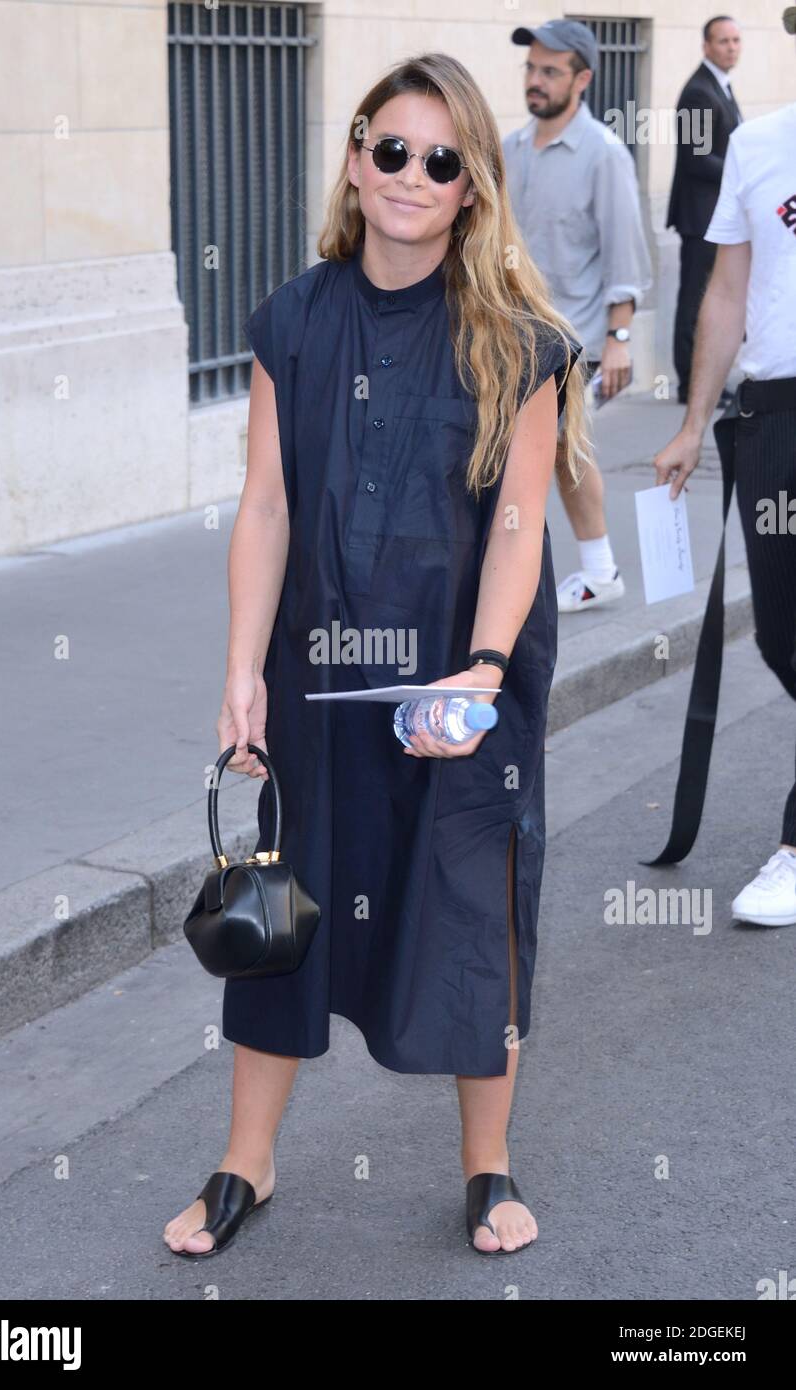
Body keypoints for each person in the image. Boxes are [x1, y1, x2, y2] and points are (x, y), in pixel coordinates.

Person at [163, 51, 588, 1260]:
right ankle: (245, 1164)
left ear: (470, 187)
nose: (411, 173)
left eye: (440, 159)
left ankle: (487, 1168)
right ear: (354, 160)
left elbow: (517, 522)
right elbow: (265, 508)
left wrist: (487, 670)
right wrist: (242, 670)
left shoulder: (517, 338)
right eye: (389, 148)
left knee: (470, 905)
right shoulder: (293, 321)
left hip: (462, 679)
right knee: (284, 907)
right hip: (318, 673)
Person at [649, 6, 796, 926]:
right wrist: (695, 421)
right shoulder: (761, 144)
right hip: (776, 413)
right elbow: (727, 290)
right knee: (782, 634)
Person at [503, 18, 653, 613]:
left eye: (550, 71)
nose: (536, 81)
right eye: (531, 69)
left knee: (561, 450)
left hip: (575, 340)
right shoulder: (511, 150)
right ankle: (582, 571)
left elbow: (625, 255)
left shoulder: (604, 155)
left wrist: (618, 339)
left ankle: (592, 571)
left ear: (583, 78)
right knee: (556, 454)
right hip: (510, 337)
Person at [666, 15, 742, 406]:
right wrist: (741, 172)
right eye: (723, 41)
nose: (731, 47)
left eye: (735, 40)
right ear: (706, 46)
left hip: (714, 215)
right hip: (700, 217)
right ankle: (688, 384)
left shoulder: (720, 88)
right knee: (695, 300)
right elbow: (696, 159)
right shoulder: (698, 92)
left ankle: (703, 381)